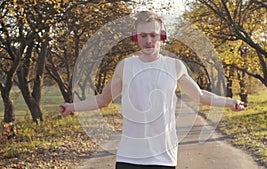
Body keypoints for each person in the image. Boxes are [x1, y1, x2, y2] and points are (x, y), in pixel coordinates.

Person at [60, 11, 246, 169]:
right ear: (136, 37)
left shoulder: (175, 66)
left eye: (153, 35)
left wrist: (230, 102)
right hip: (128, 155)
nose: (148, 41)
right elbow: (102, 100)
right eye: (143, 36)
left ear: (162, 36)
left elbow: (200, 95)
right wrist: (72, 107)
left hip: (163, 156)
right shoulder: (125, 67)